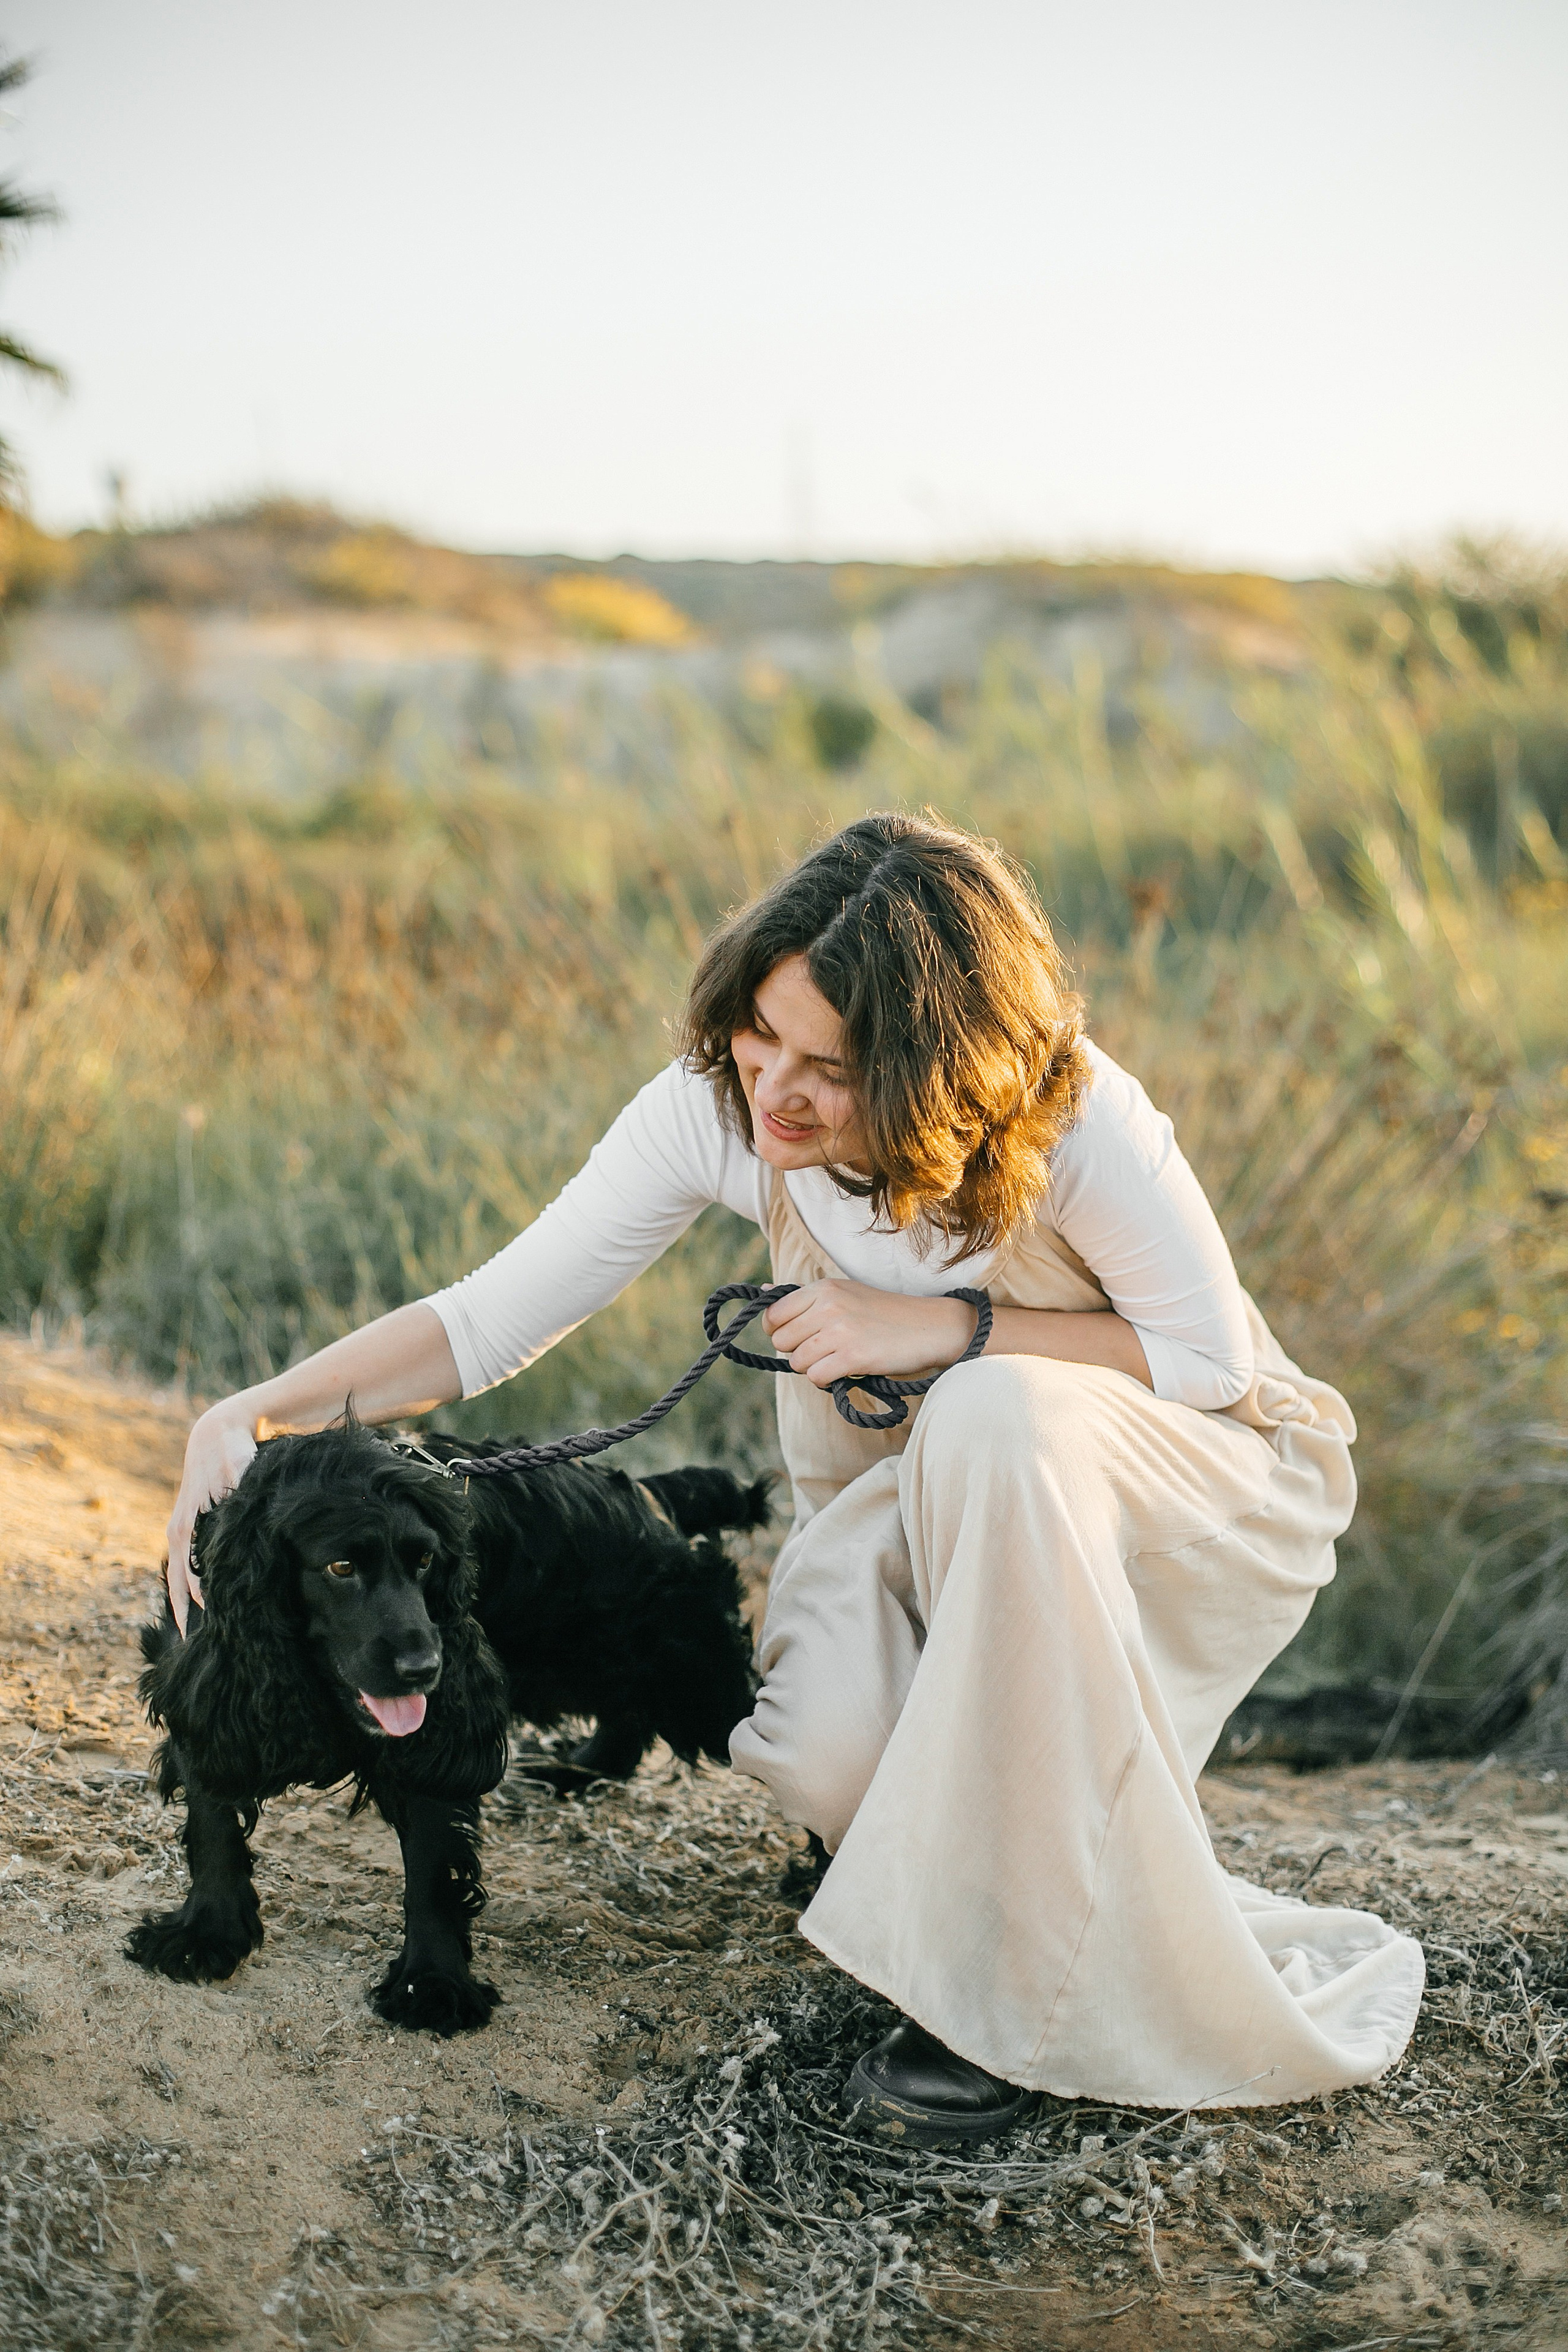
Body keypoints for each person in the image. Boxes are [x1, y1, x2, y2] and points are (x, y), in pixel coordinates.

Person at [165, 812, 1423, 2140]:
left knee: (993, 1412)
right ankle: (1022, 1877)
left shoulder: (1078, 1119)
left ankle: (990, 2010)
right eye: (760, 1037)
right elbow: (484, 1320)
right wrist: (250, 1412)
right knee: (818, 1760)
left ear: (947, 1064)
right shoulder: (719, 1114)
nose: (775, 1091)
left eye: (830, 1064)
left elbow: (1209, 1361)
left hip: (1182, 1482)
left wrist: (951, 1328)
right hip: (906, 1510)